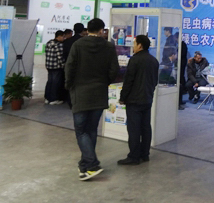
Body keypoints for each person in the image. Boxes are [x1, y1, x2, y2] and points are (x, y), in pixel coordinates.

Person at [65, 18, 119, 181]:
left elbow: (70, 66)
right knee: (91, 130)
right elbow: (114, 70)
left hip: (80, 93)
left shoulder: (78, 44)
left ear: (87, 29)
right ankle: (85, 166)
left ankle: (92, 163)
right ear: (101, 30)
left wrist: (69, 85)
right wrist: (104, 82)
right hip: (99, 93)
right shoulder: (108, 46)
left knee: (81, 131)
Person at [117, 35, 159, 165]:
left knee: (134, 129)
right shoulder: (154, 60)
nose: (133, 46)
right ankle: (145, 154)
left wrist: (123, 97)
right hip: (147, 98)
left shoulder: (134, 60)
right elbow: (155, 81)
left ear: (140, 45)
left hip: (134, 100)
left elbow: (128, 81)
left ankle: (134, 156)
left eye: (135, 44)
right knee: (145, 127)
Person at [44, 30, 65, 105]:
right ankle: (54, 99)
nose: (64, 38)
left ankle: (47, 98)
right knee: (55, 83)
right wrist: (63, 65)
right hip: (56, 66)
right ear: (59, 36)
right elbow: (60, 57)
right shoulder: (59, 44)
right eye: (63, 37)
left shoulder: (49, 42)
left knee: (50, 82)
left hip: (49, 65)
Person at [174, 32, 187, 104]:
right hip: (179, 62)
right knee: (180, 76)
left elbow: (182, 54)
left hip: (182, 63)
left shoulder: (183, 45)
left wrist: (176, 56)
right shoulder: (178, 45)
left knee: (181, 76)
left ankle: (183, 89)